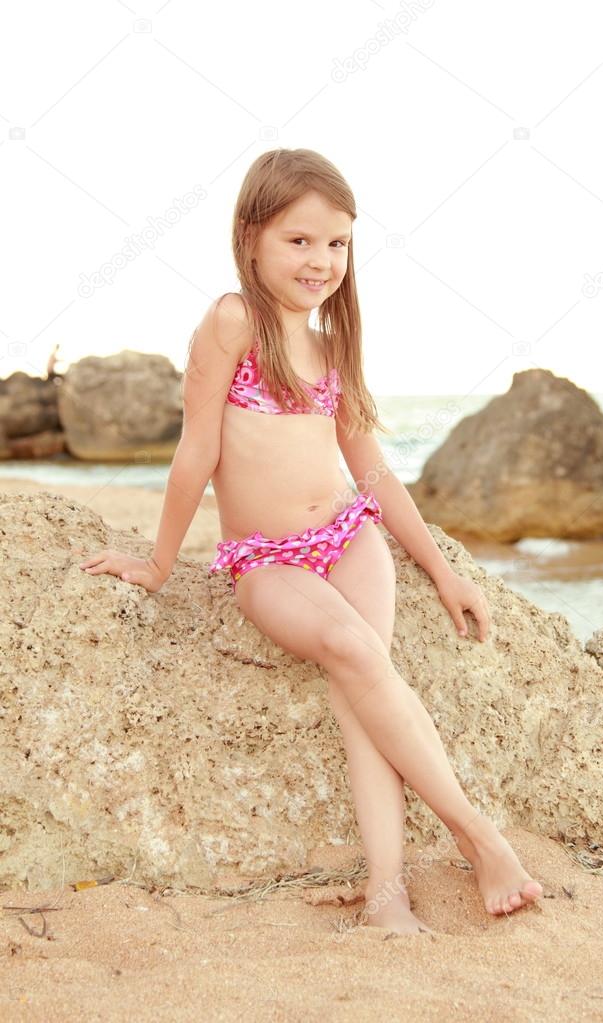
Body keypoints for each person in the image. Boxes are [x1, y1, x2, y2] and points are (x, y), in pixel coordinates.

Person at [79, 148, 543, 934]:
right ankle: (478, 834)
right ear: (252, 235)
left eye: (337, 244)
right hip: (265, 559)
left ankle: (387, 893)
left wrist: (441, 569)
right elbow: (195, 452)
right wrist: (160, 563)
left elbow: (374, 474)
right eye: (300, 241)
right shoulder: (233, 321)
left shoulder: (332, 348)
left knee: (365, 687)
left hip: (347, 537)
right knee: (358, 657)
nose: (321, 260)